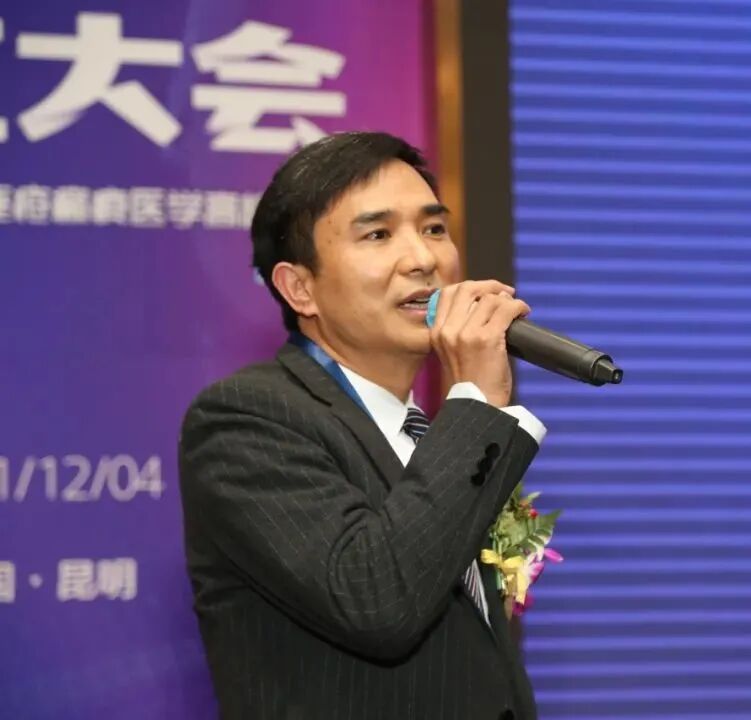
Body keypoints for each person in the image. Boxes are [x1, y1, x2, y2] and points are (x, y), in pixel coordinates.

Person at [178, 131, 546, 720]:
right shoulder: (246, 420)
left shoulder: (428, 432)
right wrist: (477, 402)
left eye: (434, 228)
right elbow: (378, 603)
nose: (423, 259)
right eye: (378, 235)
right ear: (300, 288)